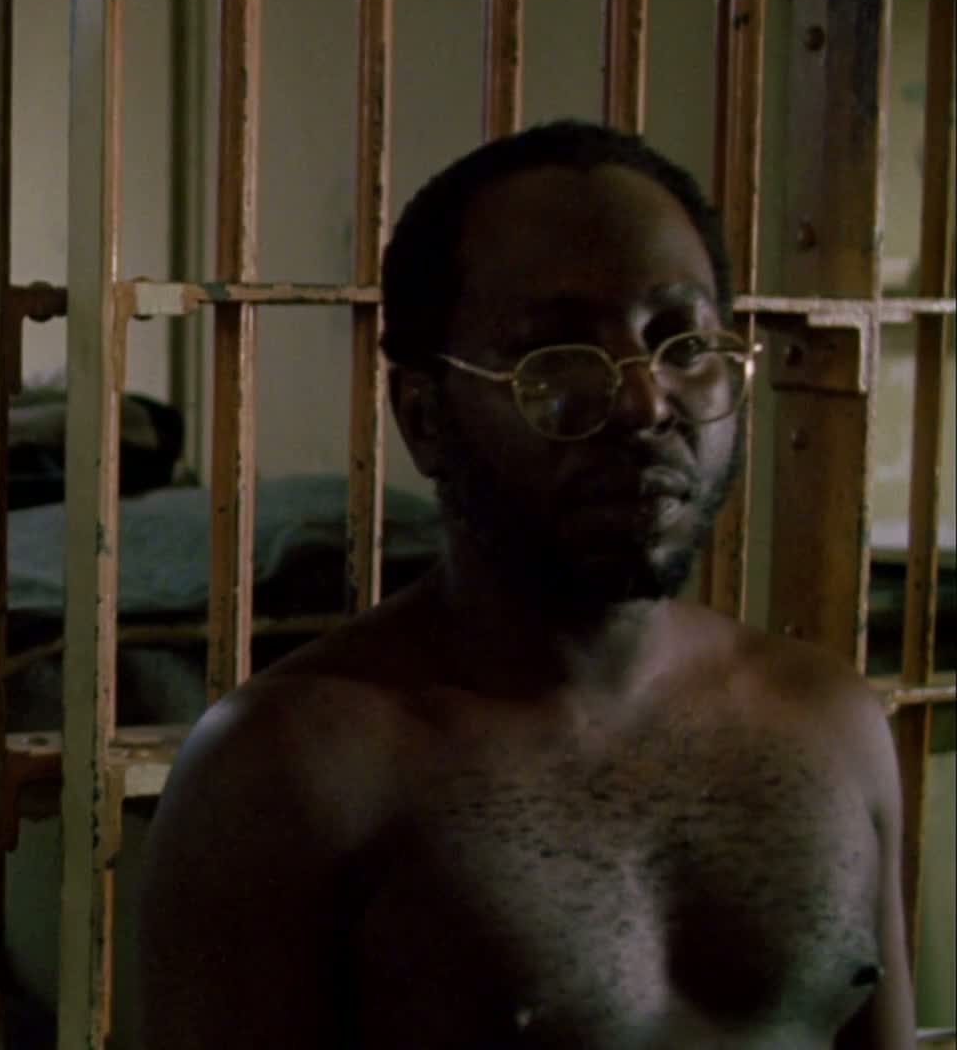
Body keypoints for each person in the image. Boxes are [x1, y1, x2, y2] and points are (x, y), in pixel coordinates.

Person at [137, 121, 914, 1047]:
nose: (644, 402)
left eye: (682, 344)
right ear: (424, 417)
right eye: (556, 359)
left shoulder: (831, 724)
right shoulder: (292, 771)